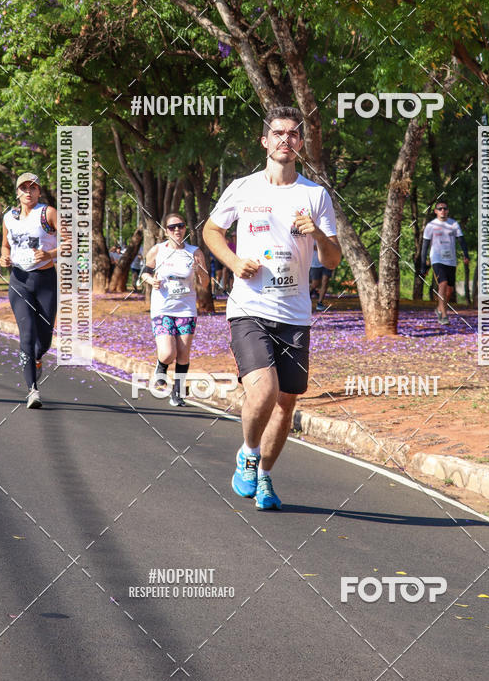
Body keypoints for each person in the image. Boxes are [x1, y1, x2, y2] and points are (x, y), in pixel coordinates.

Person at [203, 105, 341, 510]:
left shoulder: (315, 195)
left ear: (300, 143)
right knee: (264, 389)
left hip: (295, 313)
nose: (286, 139)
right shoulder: (243, 187)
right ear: (265, 141)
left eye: (293, 134)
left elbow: (332, 260)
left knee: (286, 401)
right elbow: (212, 230)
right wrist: (232, 262)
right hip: (249, 307)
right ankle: (248, 452)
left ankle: (264, 477)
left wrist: (316, 233)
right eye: (278, 133)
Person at [0, 173, 58, 409]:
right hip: (19, 281)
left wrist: (49, 254)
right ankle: (32, 390)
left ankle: (36, 358)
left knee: (43, 341)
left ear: (38, 191)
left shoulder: (47, 213)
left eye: (32, 188)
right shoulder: (9, 218)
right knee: (26, 334)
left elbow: (70, 242)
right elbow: (5, 244)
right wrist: (4, 256)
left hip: (45, 280)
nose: (28, 192)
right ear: (17, 192)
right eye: (23, 188)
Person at [141, 213, 208, 407]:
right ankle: (161, 367)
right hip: (162, 308)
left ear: (185, 229)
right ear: (165, 231)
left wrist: (199, 271)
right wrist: (151, 280)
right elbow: (145, 271)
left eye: (180, 226)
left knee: (183, 354)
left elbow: (204, 284)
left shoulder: (195, 252)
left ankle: (177, 393)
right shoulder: (157, 250)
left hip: (186, 309)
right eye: (172, 227)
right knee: (168, 352)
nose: (177, 230)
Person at [420, 200, 470, 325]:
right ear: (436, 211)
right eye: (440, 208)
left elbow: (461, 240)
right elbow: (425, 246)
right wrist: (423, 265)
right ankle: (443, 315)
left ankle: (439, 308)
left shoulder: (453, 224)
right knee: (443, 283)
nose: (443, 210)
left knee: (449, 290)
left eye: (445, 208)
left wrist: (466, 254)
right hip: (437, 258)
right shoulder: (431, 226)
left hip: (451, 260)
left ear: (447, 211)